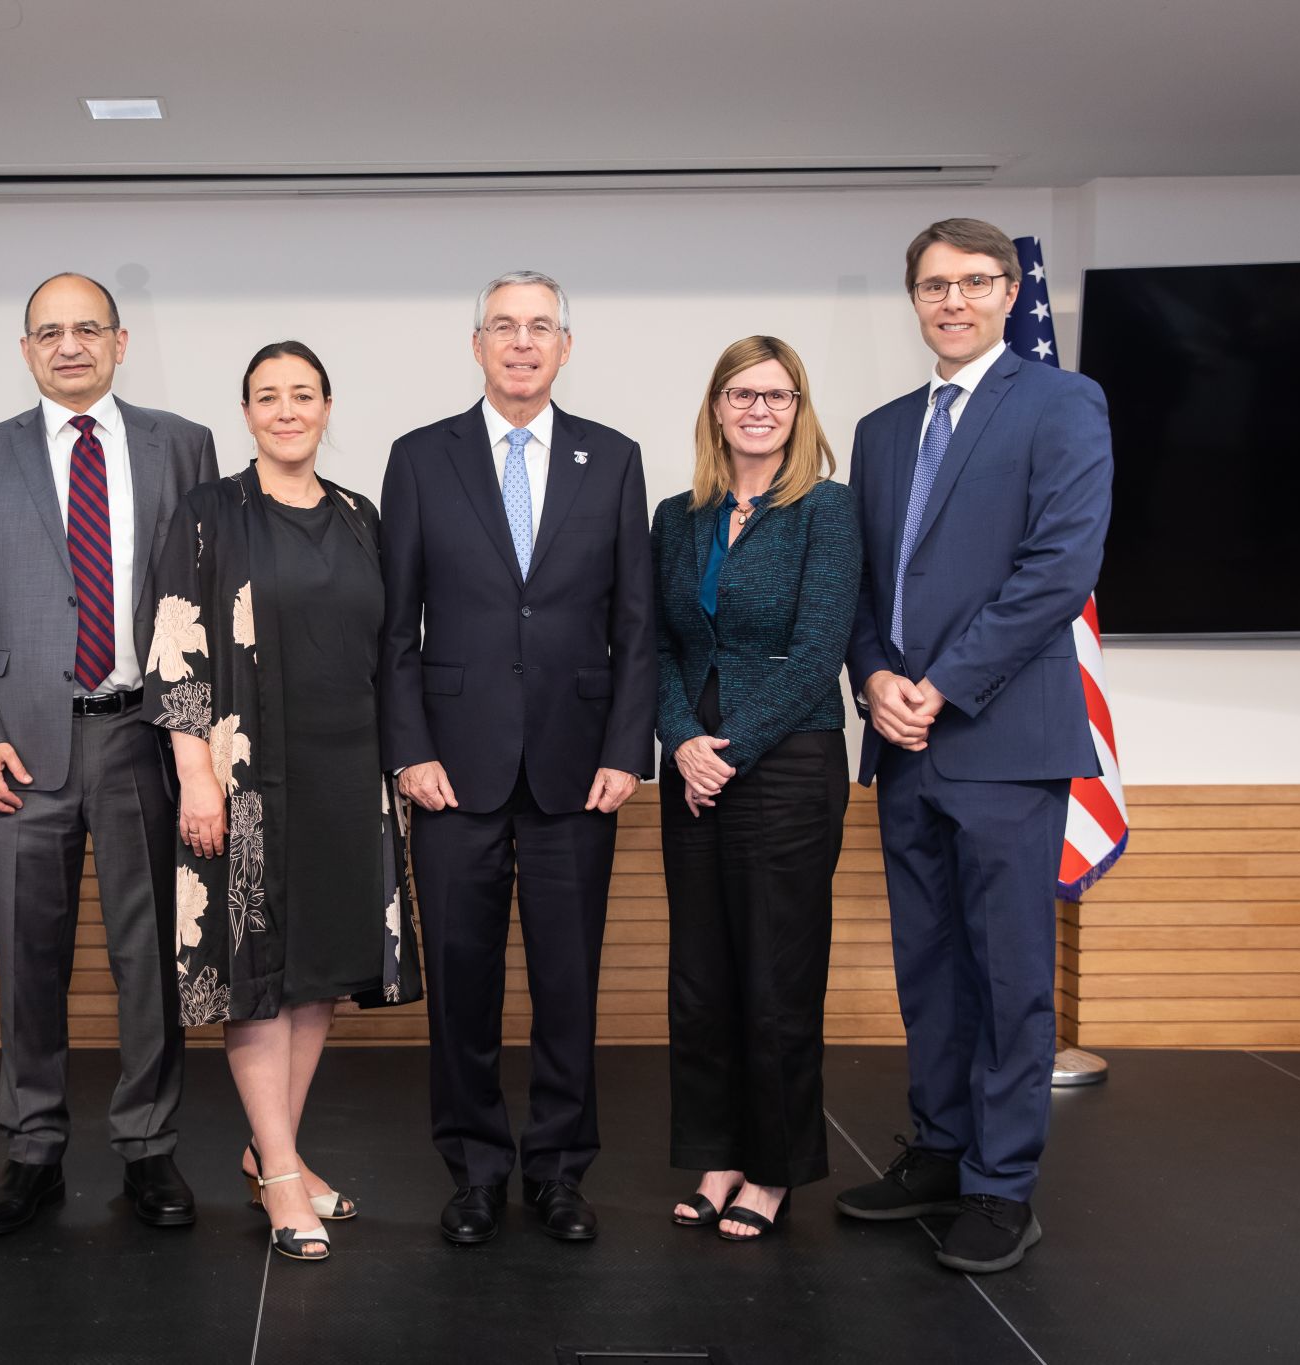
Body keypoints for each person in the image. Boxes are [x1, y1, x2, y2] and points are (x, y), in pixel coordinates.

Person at [838, 218, 1112, 1273]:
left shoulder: (1060, 403)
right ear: (911, 300)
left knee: (1006, 973)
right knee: (929, 966)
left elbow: (1058, 567)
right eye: (931, 286)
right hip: (902, 740)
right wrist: (873, 680)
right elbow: (862, 583)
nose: (950, 302)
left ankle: (1002, 1186)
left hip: (1002, 735)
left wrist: (942, 686)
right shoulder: (878, 428)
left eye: (972, 282)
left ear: (1007, 293)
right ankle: (941, 1153)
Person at [379, 270, 655, 1245]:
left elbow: (635, 622)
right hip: (450, 774)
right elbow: (394, 628)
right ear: (477, 344)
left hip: (577, 774)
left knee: (567, 985)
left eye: (540, 327)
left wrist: (628, 748)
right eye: (504, 326)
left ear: (564, 347)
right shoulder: (419, 459)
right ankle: (473, 1169)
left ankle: (558, 1171)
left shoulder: (611, 460)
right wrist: (407, 751)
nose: (522, 342)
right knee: (460, 985)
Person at [0, 273, 218, 1235]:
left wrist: (203, 744)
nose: (69, 345)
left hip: (145, 737)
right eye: (48, 332)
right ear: (26, 350)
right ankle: (32, 1150)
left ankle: (149, 1147)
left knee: (149, 956)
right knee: (29, 956)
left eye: (86, 328)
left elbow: (204, 600)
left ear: (121, 340)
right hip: (21, 745)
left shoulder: (182, 444)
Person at [143, 341, 423, 1264]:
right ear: (248, 411)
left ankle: (278, 1154)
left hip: (351, 778)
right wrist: (195, 779)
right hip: (248, 784)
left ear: (329, 407)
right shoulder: (209, 513)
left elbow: (389, 650)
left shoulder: (359, 516)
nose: (288, 409)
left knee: (320, 974)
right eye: (269, 395)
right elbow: (177, 650)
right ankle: (283, 1177)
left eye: (304, 394)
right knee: (259, 976)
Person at [650, 336, 860, 1243]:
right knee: (701, 978)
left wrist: (727, 752)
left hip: (788, 764)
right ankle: (718, 1154)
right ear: (717, 407)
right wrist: (683, 740)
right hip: (691, 765)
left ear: (799, 407)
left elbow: (820, 653)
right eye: (742, 394)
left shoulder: (828, 510)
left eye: (777, 395)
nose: (759, 409)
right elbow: (656, 647)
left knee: (775, 976)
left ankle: (772, 1170)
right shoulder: (678, 515)